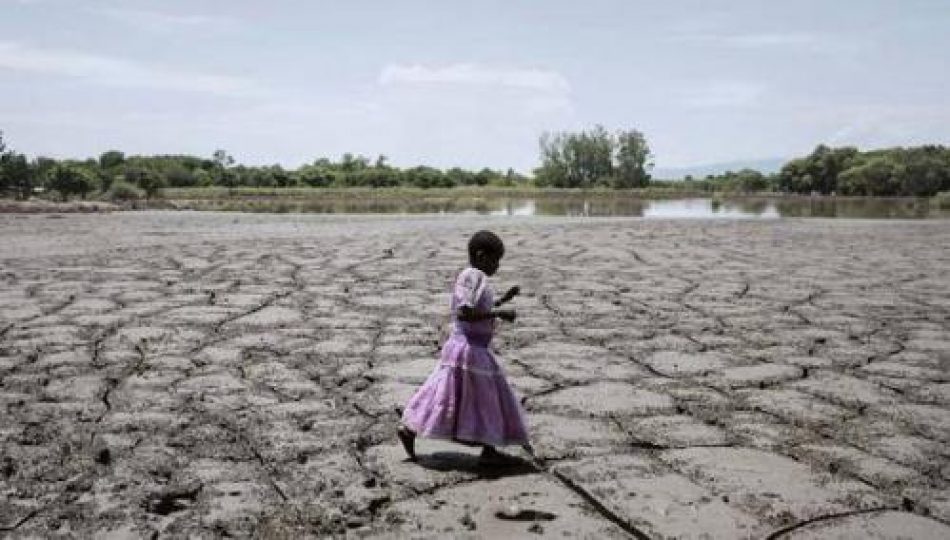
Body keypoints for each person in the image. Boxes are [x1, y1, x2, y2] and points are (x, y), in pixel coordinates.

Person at [397, 230, 529, 465]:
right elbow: (464, 313)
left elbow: (478, 305)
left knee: (478, 397)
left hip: (472, 348)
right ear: (480, 256)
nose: (497, 266)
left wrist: (503, 300)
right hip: (467, 349)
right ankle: (410, 429)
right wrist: (498, 313)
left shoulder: (477, 277)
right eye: (495, 260)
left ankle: (488, 448)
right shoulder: (472, 276)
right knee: (472, 397)